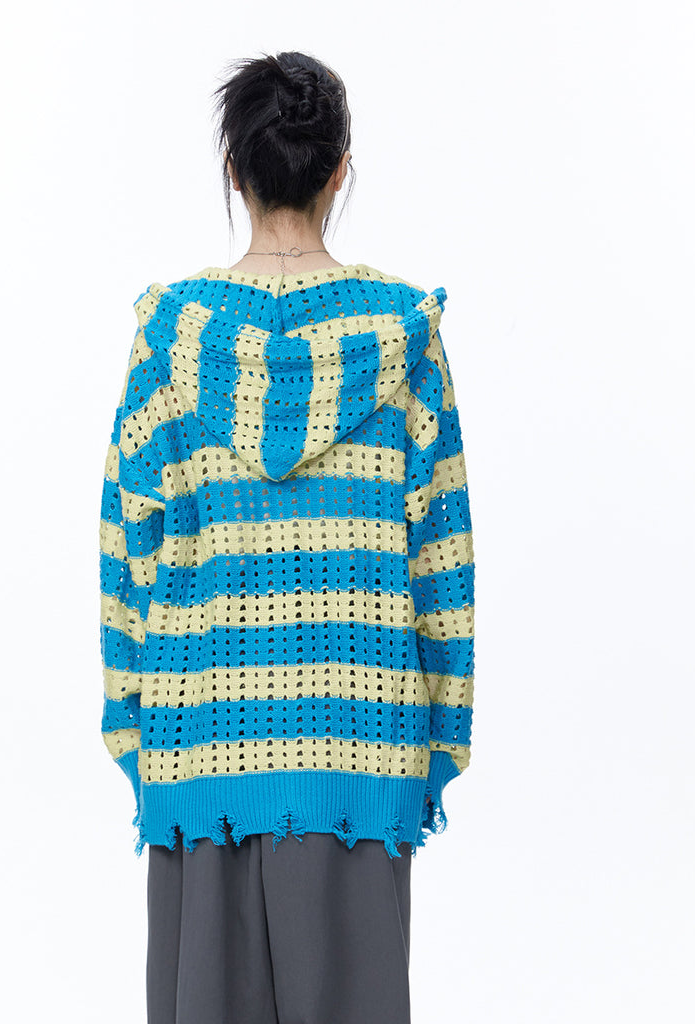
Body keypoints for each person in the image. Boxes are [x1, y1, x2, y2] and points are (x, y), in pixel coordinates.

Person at [98, 50, 475, 1024]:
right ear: (340, 169)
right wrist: (438, 740)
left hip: (200, 749)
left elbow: (127, 553)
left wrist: (134, 730)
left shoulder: (170, 337)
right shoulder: (402, 335)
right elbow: (441, 562)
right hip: (359, 751)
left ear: (235, 170)